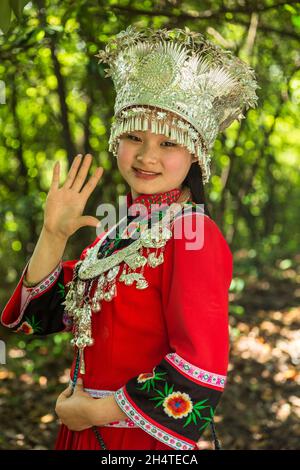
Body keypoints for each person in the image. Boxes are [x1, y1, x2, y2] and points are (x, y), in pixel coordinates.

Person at [0, 25, 259, 450]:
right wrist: (52, 234)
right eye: (134, 136)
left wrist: (95, 412)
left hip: (136, 440)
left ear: (195, 153)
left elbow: (200, 368)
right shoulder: (118, 234)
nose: (146, 156)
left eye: (168, 143)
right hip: (83, 430)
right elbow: (37, 317)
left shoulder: (194, 234)